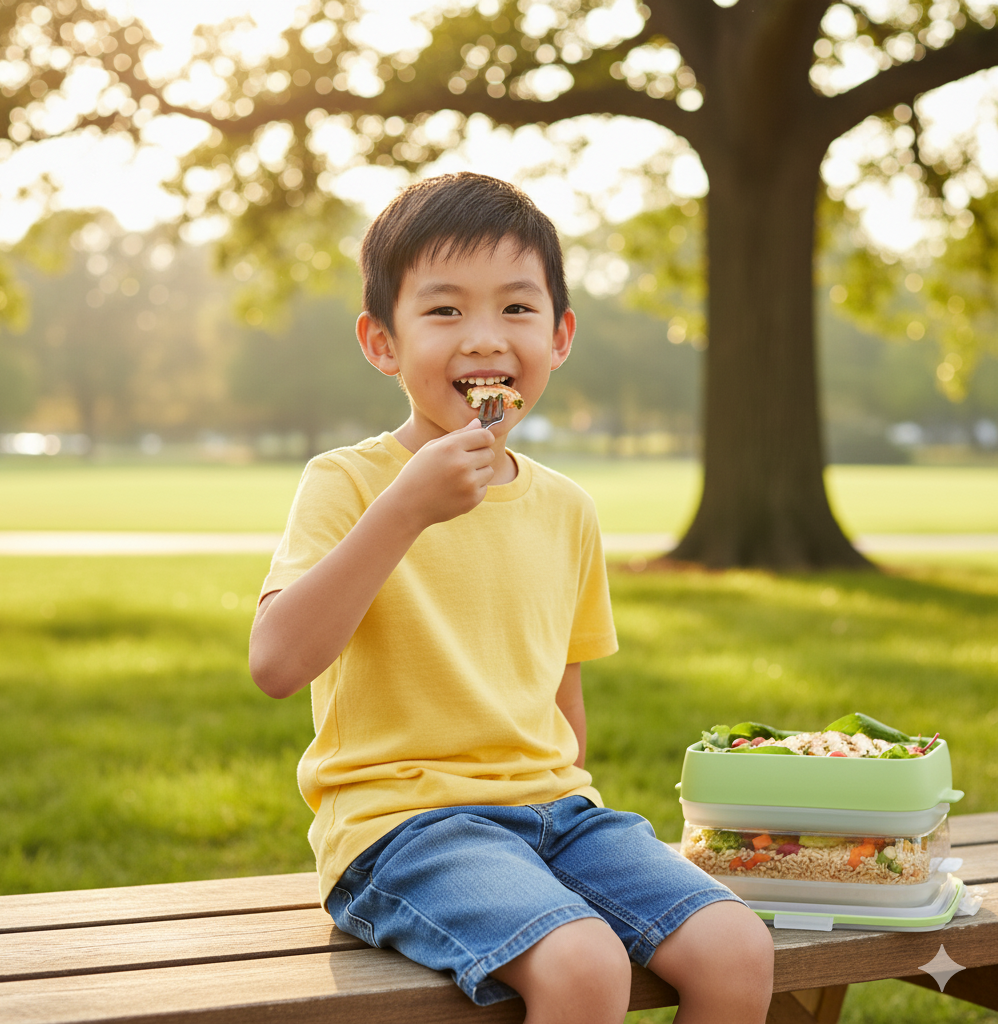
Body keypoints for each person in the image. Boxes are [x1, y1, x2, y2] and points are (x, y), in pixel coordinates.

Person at [249, 172, 774, 1024]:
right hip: (403, 829)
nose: (484, 340)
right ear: (382, 342)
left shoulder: (566, 507)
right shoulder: (349, 483)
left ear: (561, 336)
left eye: (518, 310)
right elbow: (275, 664)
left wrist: (562, 813)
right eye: (445, 311)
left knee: (737, 948)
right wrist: (406, 510)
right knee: (583, 966)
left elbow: (562, 706)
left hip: (559, 814)